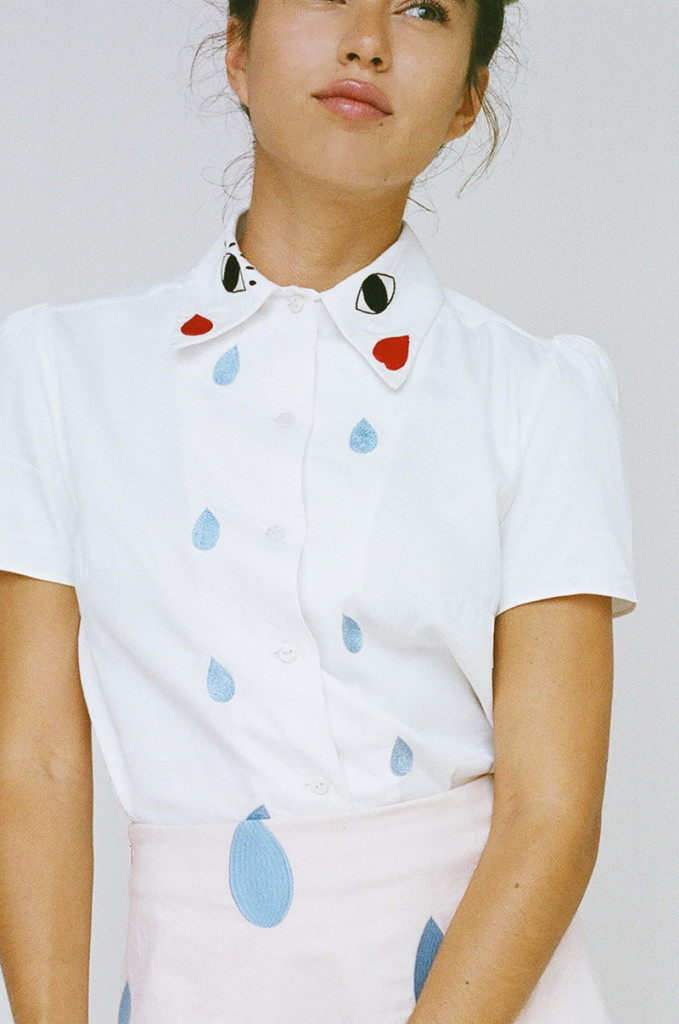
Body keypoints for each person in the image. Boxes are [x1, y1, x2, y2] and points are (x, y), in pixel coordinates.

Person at [0, 1, 637, 1022]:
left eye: (423, 9)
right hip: (191, 988)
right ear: (237, 50)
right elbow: (35, 766)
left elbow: (551, 812)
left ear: (468, 98)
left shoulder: (536, 394)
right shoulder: (58, 373)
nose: (366, 40)